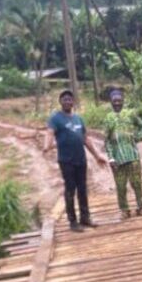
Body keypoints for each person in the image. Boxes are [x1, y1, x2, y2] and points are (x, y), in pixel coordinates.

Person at [44, 90, 108, 232]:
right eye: (65, 99)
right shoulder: (55, 118)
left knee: (83, 189)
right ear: (60, 102)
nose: (67, 102)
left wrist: (97, 156)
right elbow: (49, 133)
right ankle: (72, 222)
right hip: (66, 161)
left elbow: (85, 139)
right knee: (70, 190)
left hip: (80, 159)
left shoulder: (78, 119)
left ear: (73, 102)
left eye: (70, 99)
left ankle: (85, 218)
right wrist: (47, 145)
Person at [102, 89, 142, 219]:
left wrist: (138, 137)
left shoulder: (130, 114)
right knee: (121, 186)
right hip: (118, 158)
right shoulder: (108, 118)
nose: (117, 103)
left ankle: (141, 207)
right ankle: (124, 210)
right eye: (114, 101)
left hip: (133, 156)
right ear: (111, 102)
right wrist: (110, 158)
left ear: (123, 101)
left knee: (137, 183)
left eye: (119, 100)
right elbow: (107, 140)